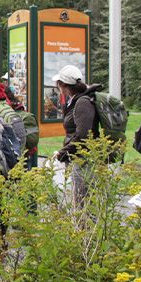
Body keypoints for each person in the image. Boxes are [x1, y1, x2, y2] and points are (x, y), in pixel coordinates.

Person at [52, 65, 101, 206]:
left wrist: (63, 152)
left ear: (63, 85)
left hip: (83, 161)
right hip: (76, 158)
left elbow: (83, 135)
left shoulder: (82, 103)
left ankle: (84, 228)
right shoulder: (75, 101)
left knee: (83, 204)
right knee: (79, 202)